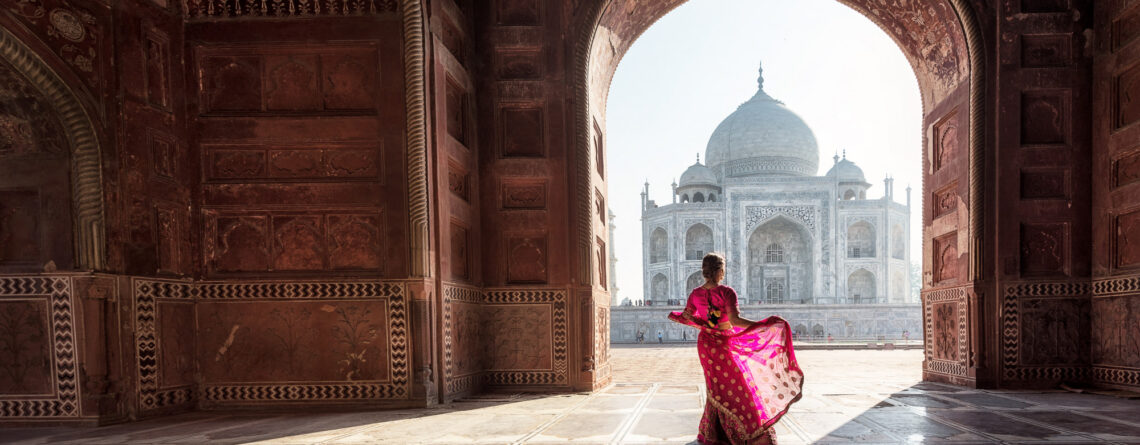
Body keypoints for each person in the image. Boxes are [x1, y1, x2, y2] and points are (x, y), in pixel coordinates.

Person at [668, 253, 803, 444]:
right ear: (720, 271)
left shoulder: (695, 294)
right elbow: (735, 321)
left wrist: (705, 325)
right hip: (723, 342)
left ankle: (714, 432)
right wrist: (762, 325)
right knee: (738, 385)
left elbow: (688, 317)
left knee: (717, 388)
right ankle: (745, 430)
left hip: (706, 344)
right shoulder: (726, 292)